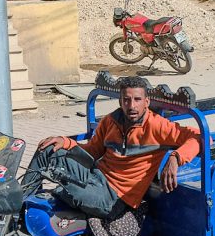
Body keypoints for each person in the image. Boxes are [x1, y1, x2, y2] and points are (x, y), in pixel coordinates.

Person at [21, 76, 200, 219]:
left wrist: (176, 157)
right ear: (120, 102)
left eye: (137, 100)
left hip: (116, 197)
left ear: (146, 102)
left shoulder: (158, 126)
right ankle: (18, 207)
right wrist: (66, 142)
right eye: (127, 100)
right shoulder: (110, 120)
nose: (132, 106)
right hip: (96, 175)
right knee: (47, 149)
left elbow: (199, 137)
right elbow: (92, 151)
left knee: (68, 191)